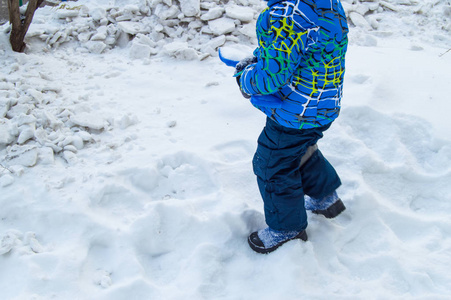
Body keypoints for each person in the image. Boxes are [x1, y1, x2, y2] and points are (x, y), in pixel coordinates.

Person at [233, 0, 349, 254]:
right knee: (301, 149)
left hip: (293, 114)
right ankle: (325, 197)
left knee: (272, 164)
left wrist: (246, 78)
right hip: (323, 105)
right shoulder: (326, 4)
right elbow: (301, 49)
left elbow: (271, 78)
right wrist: (263, 56)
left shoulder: (284, 15)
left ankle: (287, 228)